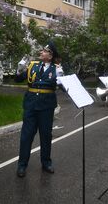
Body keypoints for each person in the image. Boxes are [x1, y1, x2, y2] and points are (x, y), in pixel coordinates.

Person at [16, 41, 63, 177]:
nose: (41, 53)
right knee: (26, 136)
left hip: (46, 106)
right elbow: (18, 79)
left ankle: (46, 162)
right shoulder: (32, 65)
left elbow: (64, 89)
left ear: (50, 55)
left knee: (46, 135)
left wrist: (61, 78)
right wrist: (19, 69)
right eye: (42, 50)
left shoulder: (57, 69)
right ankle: (22, 165)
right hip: (31, 105)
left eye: (44, 51)